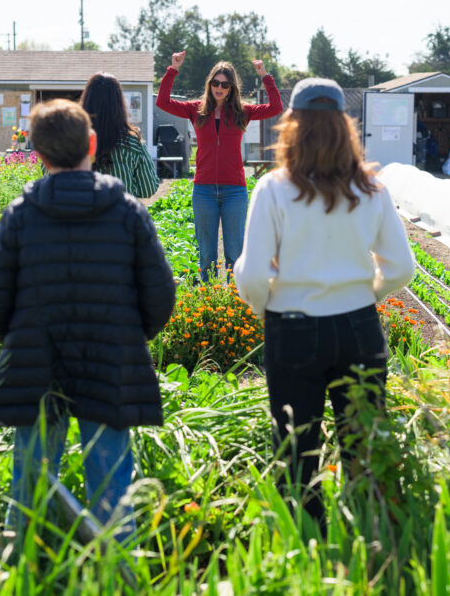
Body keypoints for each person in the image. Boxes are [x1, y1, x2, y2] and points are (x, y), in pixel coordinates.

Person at [0, 99, 175, 539]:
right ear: (92, 142)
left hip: (36, 361)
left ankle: (21, 566)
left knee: (29, 478)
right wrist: (128, 334)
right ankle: (117, 577)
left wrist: (20, 336)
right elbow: (160, 296)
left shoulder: (21, 214)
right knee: (112, 486)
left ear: (38, 152)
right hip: (109, 358)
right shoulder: (126, 211)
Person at [233, 78, 415, 524]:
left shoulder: (274, 189)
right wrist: (362, 294)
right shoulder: (370, 189)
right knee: (364, 445)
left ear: (291, 125)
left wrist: (267, 306)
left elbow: (253, 273)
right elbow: (402, 269)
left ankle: (307, 546)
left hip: (293, 326)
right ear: (343, 126)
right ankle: (374, 538)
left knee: (296, 448)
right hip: (357, 327)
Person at [156, 52, 283, 278]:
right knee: (206, 256)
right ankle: (209, 302)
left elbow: (275, 108)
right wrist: (173, 69)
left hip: (235, 190)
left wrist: (265, 75)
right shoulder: (195, 109)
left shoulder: (243, 111)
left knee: (235, 254)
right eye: (215, 83)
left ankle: (234, 305)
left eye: (224, 84)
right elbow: (162, 102)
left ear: (231, 88)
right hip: (203, 190)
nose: (219, 87)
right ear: (209, 84)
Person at [80, 72, 159, 199]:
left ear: (86, 101)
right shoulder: (133, 142)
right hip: (121, 215)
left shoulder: (72, 141)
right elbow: (148, 189)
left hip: (79, 215)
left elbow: (49, 177)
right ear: (119, 104)